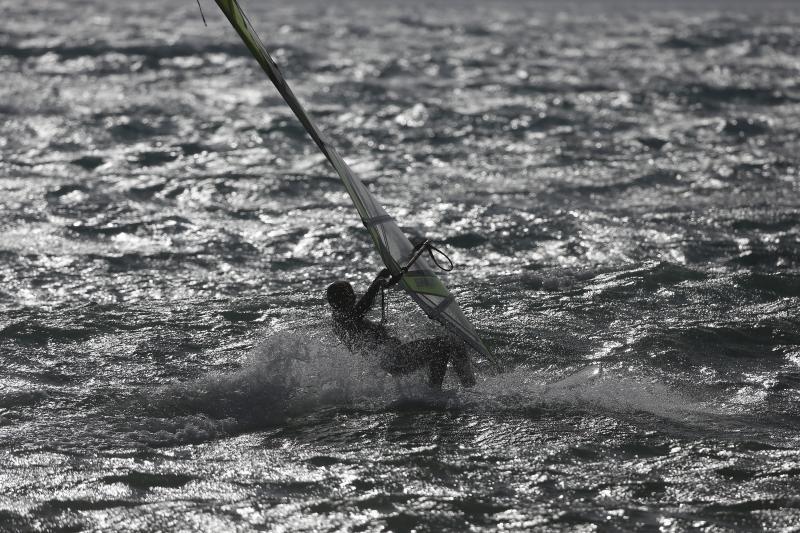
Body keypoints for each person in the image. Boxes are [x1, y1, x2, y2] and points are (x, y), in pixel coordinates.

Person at [326, 268, 476, 389]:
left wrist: (380, 278)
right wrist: (376, 283)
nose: (353, 298)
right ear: (335, 302)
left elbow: (361, 307)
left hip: (395, 355)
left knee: (452, 343)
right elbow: (362, 308)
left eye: (351, 294)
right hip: (392, 359)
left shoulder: (345, 316)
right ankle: (438, 392)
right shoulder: (341, 319)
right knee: (443, 345)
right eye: (348, 296)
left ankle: (460, 386)